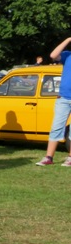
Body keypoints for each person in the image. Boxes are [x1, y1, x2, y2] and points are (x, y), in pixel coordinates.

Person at [36, 37, 71, 166]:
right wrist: (68, 39)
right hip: (64, 98)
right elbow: (53, 55)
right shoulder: (68, 55)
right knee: (56, 127)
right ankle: (48, 157)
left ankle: (70, 158)